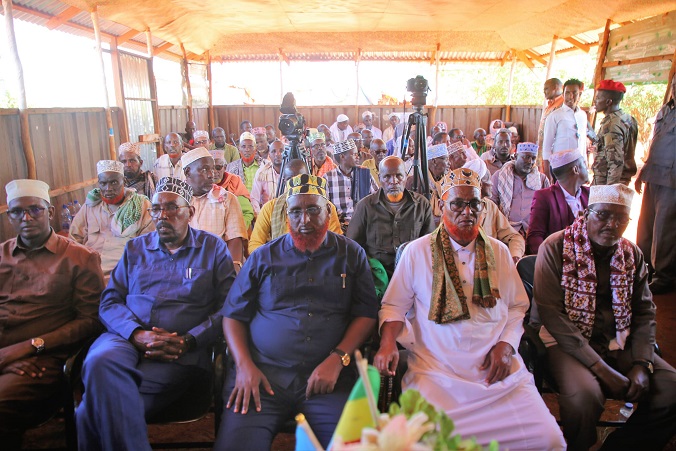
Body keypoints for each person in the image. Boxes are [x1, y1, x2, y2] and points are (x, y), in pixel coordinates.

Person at [375, 168, 565, 450]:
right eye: (457, 204)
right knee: (429, 443)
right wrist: (387, 343)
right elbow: (393, 306)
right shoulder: (417, 252)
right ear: (442, 206)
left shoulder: (499, 252)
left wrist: (506, 346)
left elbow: (516, 307)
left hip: (497, 376)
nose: (467, 212)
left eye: (474, 204)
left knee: (548, 439)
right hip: (437, 372)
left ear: (483, 208)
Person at [215, 174, 379, 450]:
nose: (305, 220)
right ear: (286, 215)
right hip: (262, 376)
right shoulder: (263, 257)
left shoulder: (351, 255)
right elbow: (233, 315)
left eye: (313, 209)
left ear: (328, 212)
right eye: (295, 212)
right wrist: (244, 366)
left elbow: (366, 314)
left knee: (353, 446)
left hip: (327, 379)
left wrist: (338, 359)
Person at [76, 177, 237, 450]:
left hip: (176, 352)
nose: (163, 216)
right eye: (156, 209)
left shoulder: (212, 249)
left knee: (89, 414)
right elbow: (110, 301)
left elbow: (229, 307)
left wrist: (189, 340)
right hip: (126, 339)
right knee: (99, 360)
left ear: (190, 212)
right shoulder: (135, 248)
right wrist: (136, 334)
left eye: (172, 208)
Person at [534, 183, 676, 451]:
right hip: (567, 343)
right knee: (584, 398)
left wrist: (642, 363)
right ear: (586, 214)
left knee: (671, 390)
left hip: (618, 340)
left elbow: (644, 312)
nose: (612, 224)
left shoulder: (631, 254)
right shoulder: (555, 247)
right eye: (603, 215)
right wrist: (600, 368)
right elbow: (552, 315)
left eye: (621, 218)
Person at [0, 180, 103, 449]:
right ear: (9, 216)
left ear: (51, 212)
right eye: (17, 212)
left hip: (41, 360)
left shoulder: (80, 258)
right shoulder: (1, 256)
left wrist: (29, 347)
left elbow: (90, 321)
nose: (26, 218)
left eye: (35, 209)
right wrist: (5, 358)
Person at [347, 156, 435, 277]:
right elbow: (353, 246)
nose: (393, 181)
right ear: (379, 178)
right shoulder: (365, 206)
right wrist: (370, 270)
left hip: (413, 273)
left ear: (406, 176)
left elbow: (429, 244)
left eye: (399, 175)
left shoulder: (422, 205)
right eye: (387, 176)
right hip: (377, 276)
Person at [70, 160, 154, 277]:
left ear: (124, 181)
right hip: (89, 272)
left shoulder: (141, 206)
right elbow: (74, 239)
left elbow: (148, 244)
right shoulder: (90, 206)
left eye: (114, 182)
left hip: (125, 274)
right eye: (103, 183)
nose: (108, 188)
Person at [636, 73, 676, 294]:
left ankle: (664, 276)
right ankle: (644, 270)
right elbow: (655, 143)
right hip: (653, 175)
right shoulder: (665, 110)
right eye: (674, 85)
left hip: (672, 180)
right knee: (646, 226)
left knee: (664, 230)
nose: (675, 89)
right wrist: (643, 171)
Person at [248, 160, 342, 254]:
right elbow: (255, 244)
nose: (296, 184)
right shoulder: (270, 208)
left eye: (300, 178)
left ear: (308, 177)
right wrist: (272, 259)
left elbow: (336, 242)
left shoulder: (324, 207)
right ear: (284, 181)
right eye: (290, 180)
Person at [182, 147, 247, 268]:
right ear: (187, 172)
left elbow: (235, 238)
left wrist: (233, 267)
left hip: (218, 266)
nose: (211, 175)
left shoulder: (227, 199)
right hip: (184, 266)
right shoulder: (177, 201)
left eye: (212, 169)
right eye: (204, 169)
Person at [527, 148, 590, 255]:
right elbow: (535, 237)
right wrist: (551, 259)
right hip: (558, 259)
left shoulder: (590, 194)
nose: (587, 168)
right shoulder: (545, 197)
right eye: (584, 164)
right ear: (576, 169)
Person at [464, 159, 525, 263]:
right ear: (479, 184)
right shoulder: (459, 211)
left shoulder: (490, 206)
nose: (492, 184)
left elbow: (514, 237)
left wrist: (514, 256)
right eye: (488, 179)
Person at [490, 142, 550, 236]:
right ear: (515, 156)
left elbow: (548, 207)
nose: (530, 162)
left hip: (534, 231)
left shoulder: (542, 179)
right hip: (506, 230)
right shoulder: (500, 176)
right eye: (526, 157)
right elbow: (491, 205)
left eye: (533, 158)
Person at [592, 79, 638, 186]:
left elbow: (615, 163)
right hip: (621, 181)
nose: (595, 101)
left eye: (598, 98)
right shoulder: (628, 119)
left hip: (607, 183)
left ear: (608, 102)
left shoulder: (611, 125)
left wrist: (610, 192)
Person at [324, 139, 378, 230]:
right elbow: (325, 208)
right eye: (354, 154)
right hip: (339, 227)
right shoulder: (328, 178)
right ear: (342, 156)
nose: (358, 157)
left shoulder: (364, 173)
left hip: (364, 225)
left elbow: (377, 199)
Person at [542, 79, 588, 181]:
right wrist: (547, 172)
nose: (570, 96)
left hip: (578, 165)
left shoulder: (583, 115)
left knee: (577, 191)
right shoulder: (554, 116)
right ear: (563, 94)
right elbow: (547, 146)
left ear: (580, 95)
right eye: (567, 93)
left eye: (574, 93)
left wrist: (585, 161)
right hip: (560, 166)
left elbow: (583, 141)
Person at [406, 143, 449, 227]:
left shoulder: (446, 181)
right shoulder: (415, 182)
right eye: (446, 160)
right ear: (434, 161)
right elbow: (410, 214)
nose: (449, 163)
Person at [210, 149, 254, 229]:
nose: (215, 172)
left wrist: (236, 230)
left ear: (225, 167)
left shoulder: (234, 182)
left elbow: (247, 213)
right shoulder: (202, 185)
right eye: (211, 168)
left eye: (218, 167)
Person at [250, 140, 284, 214]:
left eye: (281, 151)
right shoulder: (262, 172)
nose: (277, 154)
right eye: (273, 151)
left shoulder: (292, 171)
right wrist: (260, 217)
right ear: (269, 155)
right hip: (268, 215)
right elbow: (254, 199)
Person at [537, 78, 564, 169]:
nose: (544, 92)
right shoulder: (550, 105)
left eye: (546, 89)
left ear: (555, 87)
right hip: (543, 149)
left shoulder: (563, 104)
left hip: (554, 152)